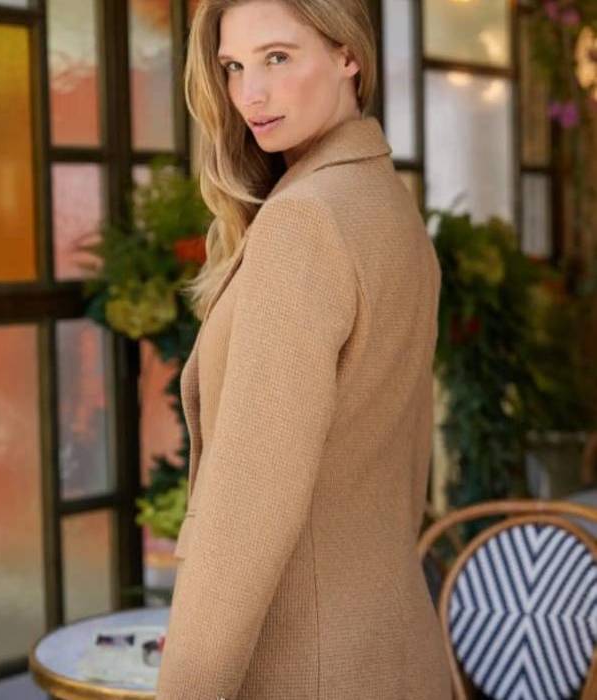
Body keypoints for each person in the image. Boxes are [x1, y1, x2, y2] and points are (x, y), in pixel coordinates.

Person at [155, 0, 453, 698]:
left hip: (308, 666)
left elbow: (246, 513)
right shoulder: (388, 205)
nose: (250, 94)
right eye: (234, 67)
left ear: (348, 54)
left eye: (278, 58)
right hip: (394, 646)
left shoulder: (304, 224)